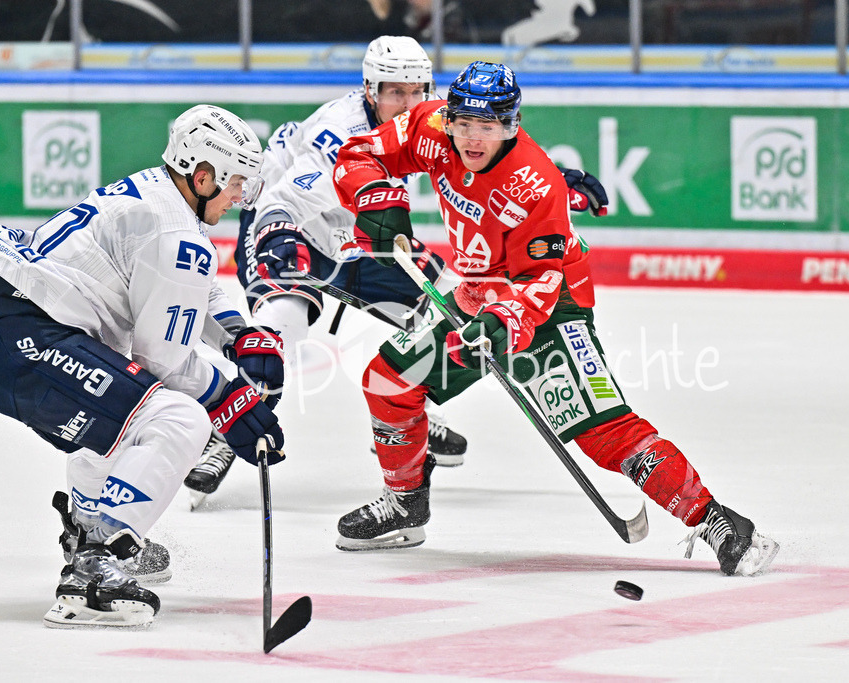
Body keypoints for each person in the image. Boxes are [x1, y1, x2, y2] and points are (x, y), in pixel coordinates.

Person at [330, 61, 780, 576]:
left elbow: (539, 283)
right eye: (465, 124)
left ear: (512, 124)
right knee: (388, 382)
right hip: (479, 293)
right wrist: (374, 197)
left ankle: (717, 522)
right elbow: (361, 153)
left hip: (549, 304)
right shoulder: (431, 127)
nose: (473, 138)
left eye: (489, 125)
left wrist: (502, 326)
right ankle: (405, 505)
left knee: (604, 432)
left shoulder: (534, 184)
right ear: (449, 118)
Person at [182, 35, 608, 503]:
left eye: (416, 91)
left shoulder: (437, 117)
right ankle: (225, 435)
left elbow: (497, 147)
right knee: (279, 327)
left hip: (365, 236)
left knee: (451, 306)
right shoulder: (337, 133)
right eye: (394, 92)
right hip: (291, 229)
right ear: (370, 90)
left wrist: (552, 177)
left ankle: (407, 414)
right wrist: (278, 236)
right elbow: (285, 199)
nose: (407, 102)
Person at [0, 104, 286, 627]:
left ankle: (92, 531)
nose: (241, 196)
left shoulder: (157, 195)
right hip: (23, 331)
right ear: (203, 176)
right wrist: (230, 402)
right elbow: (166, 363)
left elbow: (187, 280)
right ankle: (94, 570)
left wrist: (238, 335)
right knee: (178, 418)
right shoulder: (173, 231)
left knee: (121, 415)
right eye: (236, 182)